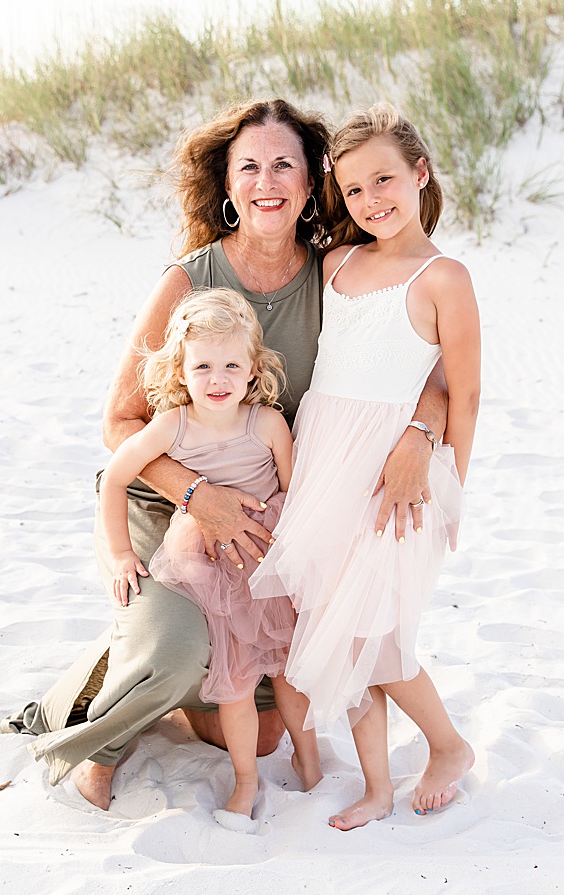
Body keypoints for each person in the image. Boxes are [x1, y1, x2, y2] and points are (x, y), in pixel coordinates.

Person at [2, 99, 448, 813]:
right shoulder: (190, 278)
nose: (266, 180)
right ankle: (103, 719)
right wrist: (192, 495)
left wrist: (421, 435)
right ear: (229, 184)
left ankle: (142, 656)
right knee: (181, 653)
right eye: (250, 167)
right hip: (164, 499)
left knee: (261, 732)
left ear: (311, 185)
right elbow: (119, 421)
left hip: (267, 516)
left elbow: (427, 365)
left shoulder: (336, 276)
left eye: (284, 165)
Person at [250, 103, 480, 831]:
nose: (372, 199)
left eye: (385, 179)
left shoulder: (445, 276)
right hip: (325, 463)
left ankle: (448, 745)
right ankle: (377, 785)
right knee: (335, 619)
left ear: (420, 172)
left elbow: (463, 388)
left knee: (374, 634)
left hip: (391, 478)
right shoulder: (336, 263)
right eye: (353, 190)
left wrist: (452, 489)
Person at [99, 288, 321, 830]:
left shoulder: (267, 423)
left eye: (230, 365)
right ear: (179, 369)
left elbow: (295, 495)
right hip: (206, 562)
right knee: (236, 679)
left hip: (266, 558)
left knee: (292, 671)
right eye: (202, 366)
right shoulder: (172, 425)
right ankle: (246, 782)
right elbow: (115, 480)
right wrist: (122, 553)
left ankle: (311, 763)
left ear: (253, 369)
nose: (217, 379)